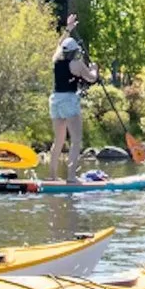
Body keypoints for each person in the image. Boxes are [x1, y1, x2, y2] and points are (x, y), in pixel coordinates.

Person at [48, 16, 99, 182]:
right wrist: (94, 69)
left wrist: (68, 28)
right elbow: (91, 78)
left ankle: (52, 176)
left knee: (59, 140)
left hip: (55, 100)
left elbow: (58, 45)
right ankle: (71, 177)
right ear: (75, 51)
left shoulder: (56, 60)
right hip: (69, 101)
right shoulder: (77, 64)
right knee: (76, 140)